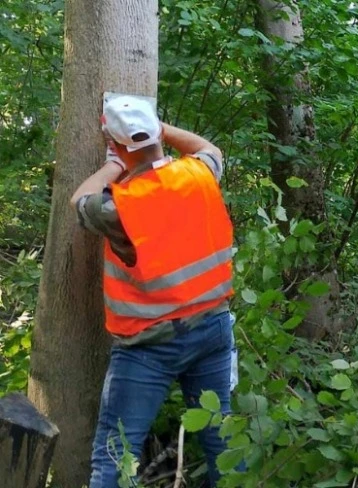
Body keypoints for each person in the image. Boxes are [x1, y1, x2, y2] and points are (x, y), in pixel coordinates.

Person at [70, 94, 236, 488]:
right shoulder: (197, 175)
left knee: (114, 455)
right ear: (158, 134)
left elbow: (79, 200)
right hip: (212, 329)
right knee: (223, 446)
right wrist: (161, 130)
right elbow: (209, 149)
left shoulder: (119, 207)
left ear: (117, 143)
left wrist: (114, 164)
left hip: (149, 346)